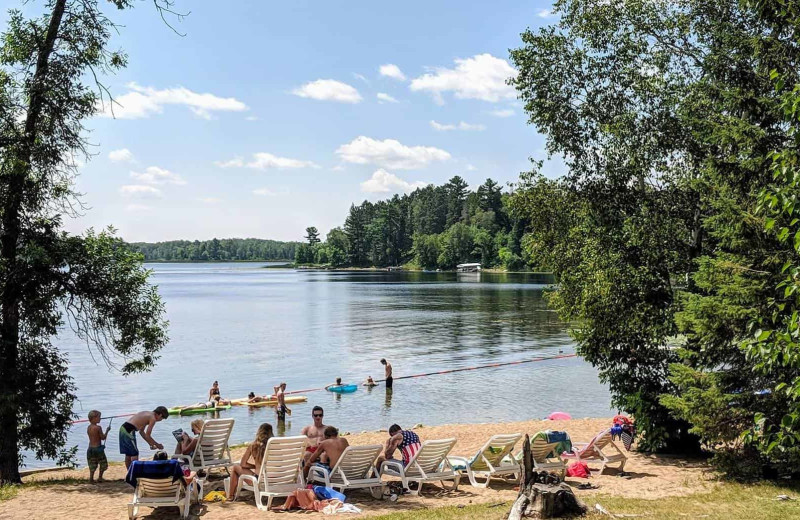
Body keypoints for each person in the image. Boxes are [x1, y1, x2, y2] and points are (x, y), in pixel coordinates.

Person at [227, 423, 273, 500]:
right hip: (277, 479)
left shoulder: (254, 446)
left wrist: (254, 466)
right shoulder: (275, 445)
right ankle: (231, 495)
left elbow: (243, 464)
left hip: (260, 481)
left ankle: (231, 496)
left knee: (235, 467)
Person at [86, 410, 110, 483]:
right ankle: (100, 477)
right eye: (99, 417)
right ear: (94, 418)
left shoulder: (89, 427)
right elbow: (103, 437)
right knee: (103, 463)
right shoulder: (98, 428)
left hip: (90, 448)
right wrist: (107, 431)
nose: (100, 419)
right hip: (98, 448)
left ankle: (91, 478)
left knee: (92, 463)